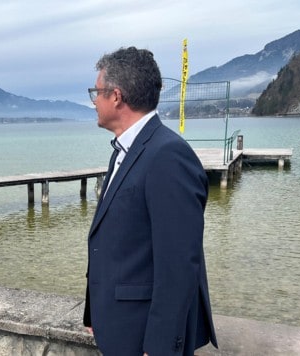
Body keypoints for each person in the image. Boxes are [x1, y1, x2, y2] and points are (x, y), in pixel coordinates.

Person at [83, 47, 218, 355]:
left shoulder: (168, 156)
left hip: (142, 337)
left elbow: (179, 265)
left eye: (97, 92)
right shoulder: (124, 150)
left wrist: (160, 347)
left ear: (116, 97)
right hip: (119, 327)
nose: (94, 102)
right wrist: (97, 311)